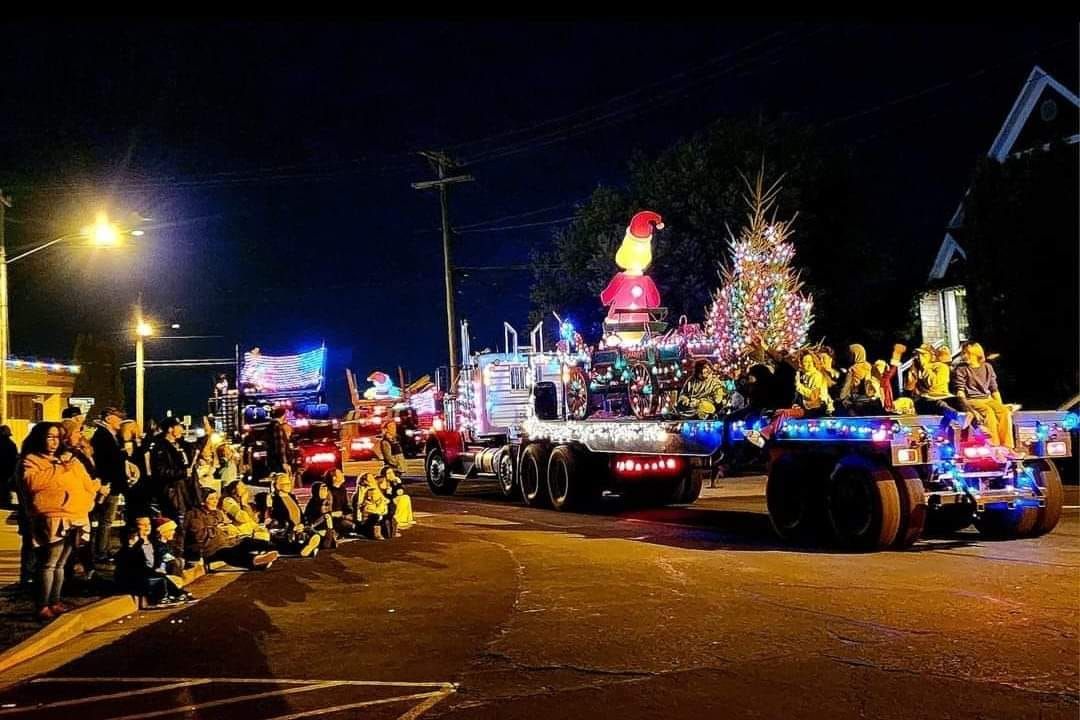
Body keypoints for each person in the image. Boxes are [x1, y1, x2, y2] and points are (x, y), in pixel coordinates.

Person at [20, 422, 103, 621]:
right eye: (50, 437)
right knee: (48, 563)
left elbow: (84, 482)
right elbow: (33, 483)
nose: (54, 442)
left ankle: (55, 600)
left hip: (75, 515)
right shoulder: (31, 460)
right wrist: (59, 468)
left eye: (57, 437)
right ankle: (43, 604)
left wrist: (94, 489)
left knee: (61, 563)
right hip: (52, 516)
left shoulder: (70, 460)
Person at [746, 351, 833, 448]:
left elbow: (813, 398)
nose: (806, 364)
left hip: (815, 408)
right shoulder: (802, 375)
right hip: (803, 407)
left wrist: (798, 386)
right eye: (804, 362)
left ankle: (765, 435)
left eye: (809, 362)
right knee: (777, 412)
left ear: (814, 362)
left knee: (785, 413)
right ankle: (767, 443)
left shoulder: (817, 376)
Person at [184, 488, 278, 570]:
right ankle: (257, 560)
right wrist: (216, 529)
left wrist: (229, 528)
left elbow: (227, 524)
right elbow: (199, 536)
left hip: (228, 541)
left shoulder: (217, 512)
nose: (215, 501)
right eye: (211, 499)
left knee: (247, 541)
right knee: (230, 553)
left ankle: (272, 549)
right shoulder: (194, 515)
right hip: (211, 549)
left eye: (216, 498)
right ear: (202, 501)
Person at [115, 515, 192, 606]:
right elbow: (135, 565)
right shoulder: (132, 544)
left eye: (149, 524)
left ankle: (177, 594)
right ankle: (164, 597)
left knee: (162, 577)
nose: (147, 527)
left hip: (150, 574)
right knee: (159, 578)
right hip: (135, 578)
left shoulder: (154, 543)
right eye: (143, 525)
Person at [954, 342, 1015, 449]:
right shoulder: (961, 369)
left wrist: (999, 405)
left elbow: (994, 389)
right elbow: (960, 391)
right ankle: (994, 445)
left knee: (1004, 411)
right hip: (972, 399)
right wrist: (968, 408)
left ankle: (1007, 446)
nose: (963, 356)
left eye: (966, 353)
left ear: (975, 354)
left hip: (987, 398)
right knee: (988, 412)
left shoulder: (987, 367)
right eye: (963, 353)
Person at [89, 407, 127, 564]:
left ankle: (102, 549)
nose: (120, 421)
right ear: (109, 418)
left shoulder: (111, 436)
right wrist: (106, 483)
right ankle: (100, 552)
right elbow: (105, 463)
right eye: (118, 418)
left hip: (111, 484)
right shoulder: (103, 436)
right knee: (105, 521)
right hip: (107, 486)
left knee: (106, 521)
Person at [149, 417, 200, 532]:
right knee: (177, 522)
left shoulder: (182, 444)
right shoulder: (160, 447)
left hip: (187, 488)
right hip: (174, 491)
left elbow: (198, 446)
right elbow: (160, 471)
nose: (181, 429)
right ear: (170, 429)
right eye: (179, 426)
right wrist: (181, 473)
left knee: (189, 519)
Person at [905, 345, 972, 428]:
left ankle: (977, 427)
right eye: (918, 354)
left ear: (932, 356)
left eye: (923, 355)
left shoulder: (941, 367)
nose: (919, 357)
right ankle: (957, 416)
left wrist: (925, 367)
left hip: (941, 396)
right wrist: (912, 375)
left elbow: (934, 384)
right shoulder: (916, 368)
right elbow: (909, 387)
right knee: (938, 403)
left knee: (958, 401)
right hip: (923, 401)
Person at [264, 473, 322, 556]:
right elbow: (278, 517)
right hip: (287, 531)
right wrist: (293, 527)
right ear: (277, 486)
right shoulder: (273, 498)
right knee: (299, 540)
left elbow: (300, 513)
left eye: (289, 482)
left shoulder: (292, 496)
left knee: (314, 534)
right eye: (286, 484)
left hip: (299, 528)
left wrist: (302, 524)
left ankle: (307, 547)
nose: (289, 485)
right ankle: (306, 548)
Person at [838, 344, 883, 416]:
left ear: (855, 355)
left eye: (850, 354)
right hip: (870, 397)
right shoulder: (869, 366)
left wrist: (841, 398)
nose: (849, 357)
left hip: (856, 398)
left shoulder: (853, 369)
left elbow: (846, 385)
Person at [354, 472, 392, 540]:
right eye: (370, 478)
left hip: (377, 509)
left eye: (372, 478)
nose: (373, 480)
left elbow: (383, 500)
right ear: (365, 481)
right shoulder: (364, 491)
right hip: (369, 513)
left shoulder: (375, 488)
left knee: (390, 508)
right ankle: (375, 532)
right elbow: (361, 505)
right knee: (376, 516)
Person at [303, 481, 337, 549]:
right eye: (322, 490)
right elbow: (309, 520)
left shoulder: (326, 502)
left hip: (326, 528)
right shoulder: (312, 504)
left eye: (325, 490)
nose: (324, 492)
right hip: (315, 527)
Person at [324, 469, 357, 537]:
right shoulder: (328, 492)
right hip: (334, 519)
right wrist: (343, 516)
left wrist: (351, 513)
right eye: (340, 473)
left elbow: (346, 505)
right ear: (334, 478)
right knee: (352, 526)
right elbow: (327, 511)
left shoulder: (342, 489)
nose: (343, 475)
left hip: (342, 516)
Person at [265, 407, 293, 475]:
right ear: (283, 415)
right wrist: (284, 462)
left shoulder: (270, 426)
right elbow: (280, 446)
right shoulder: (277, 426)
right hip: (278, 462)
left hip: (273, 460)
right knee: (283, 481)